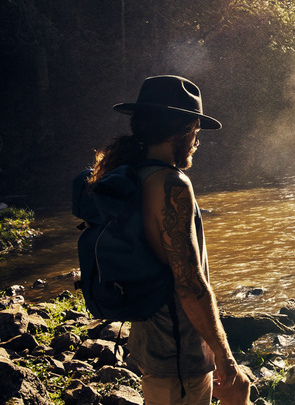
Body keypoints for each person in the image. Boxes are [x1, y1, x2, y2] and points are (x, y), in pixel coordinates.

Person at [88, 75, 250, 405]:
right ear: (182, 129)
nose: (196, 142)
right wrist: (225, 357)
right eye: (195, 132)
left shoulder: (132, 175)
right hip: (179, 354)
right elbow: (189, 284)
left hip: (153, 342)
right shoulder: (172, 184)